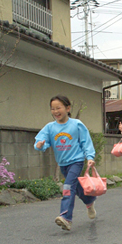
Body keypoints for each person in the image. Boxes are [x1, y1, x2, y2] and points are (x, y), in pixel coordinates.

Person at [34, 94, 97, 231]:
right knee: (77, 188)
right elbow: (41, 140)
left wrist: (90, 157)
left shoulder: (76, 124)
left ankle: (66, 217)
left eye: (58, 108)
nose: (56, 111)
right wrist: (39, 145)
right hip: (62, 163)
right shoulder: (50, 127)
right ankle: (89, 201)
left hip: (77, 161)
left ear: (68, 108)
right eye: (52, 109)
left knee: (68, 186)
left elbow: (86, 141)